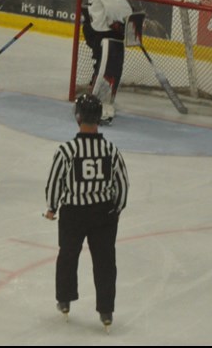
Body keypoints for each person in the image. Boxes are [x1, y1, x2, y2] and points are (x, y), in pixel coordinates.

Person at [44, 93, 129, 331]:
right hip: (103, 214)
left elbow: (55, 182)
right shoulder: (110, 150)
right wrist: (116, 209)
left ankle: (64, 299)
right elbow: (122, 184)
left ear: (78, 117)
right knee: (105, 261)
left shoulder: (67, 150)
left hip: (73, 213)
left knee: (68, 256)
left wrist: (51, 208)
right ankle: (106, 310)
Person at [82, 0, 134, 126]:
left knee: (109, 69)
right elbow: (114, 3)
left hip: (105, 28)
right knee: (107, 71)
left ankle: (98, 105)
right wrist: (127, 19)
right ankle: (96, 109)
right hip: (105, 30)